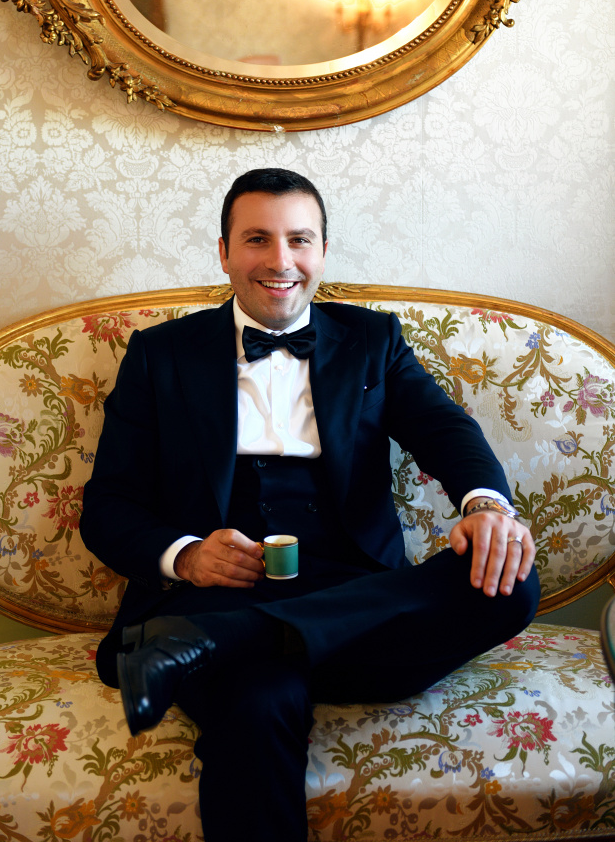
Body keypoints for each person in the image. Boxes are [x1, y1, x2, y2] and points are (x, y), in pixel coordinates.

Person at [80, 167, 539, 842]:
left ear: (322, 251)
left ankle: (227, 642)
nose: (280, 260)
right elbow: (109, 505)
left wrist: (485, 505)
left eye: (299, 239)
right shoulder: (160, 354)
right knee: (258, 695)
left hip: (352, 594)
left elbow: (444, 430)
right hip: (212, 597)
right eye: (256, 239)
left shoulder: (372, 340)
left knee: (510, 581)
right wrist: (187, 556)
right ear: (224, 253)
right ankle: (238, 638)